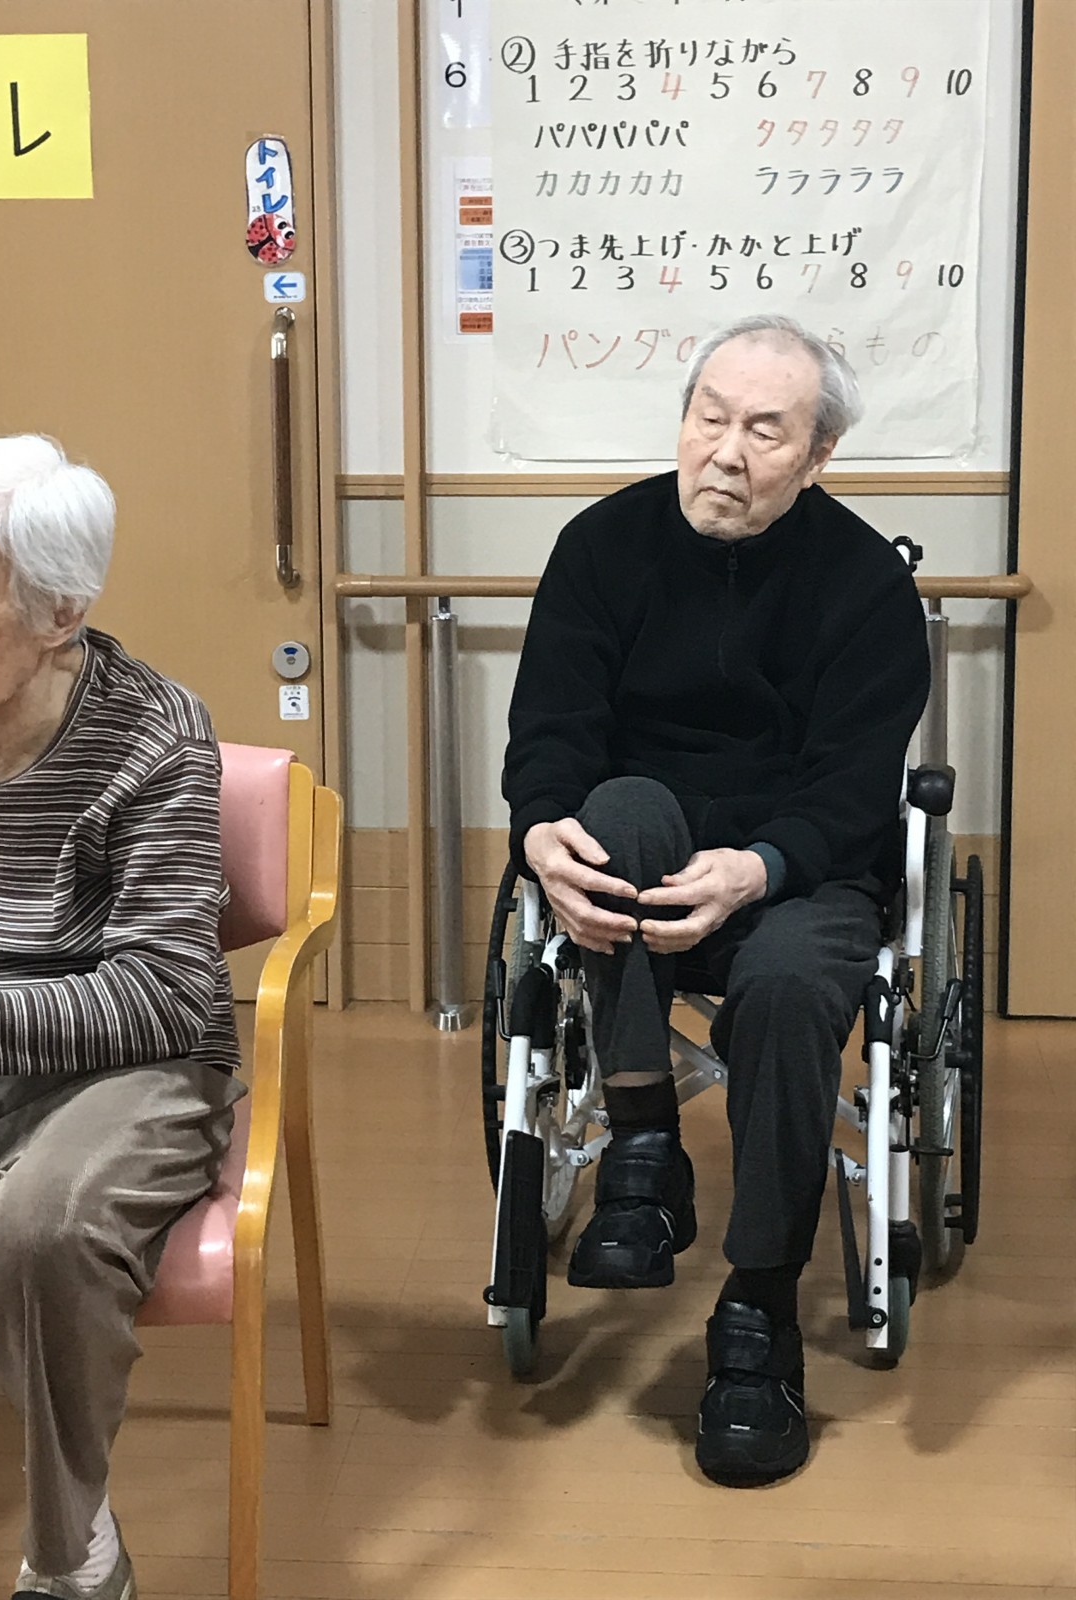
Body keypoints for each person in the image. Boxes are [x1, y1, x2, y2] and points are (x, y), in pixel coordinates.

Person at [502, 314, 930, 1485]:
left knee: (788, 987)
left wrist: (760, 866)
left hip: (800, 873)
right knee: (620, 805)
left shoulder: (865, 586)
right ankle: (643, 1144)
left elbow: (854, 788)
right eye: (709, 416)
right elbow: (549, 729)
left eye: (764, 431)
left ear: (819, 453)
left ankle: (759, 1302)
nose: (726, 452)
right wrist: (540, 830)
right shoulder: (603, 547)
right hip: (640, 861)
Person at [0, 435, 244, 1600]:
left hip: (126, 1066)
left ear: (59, 615)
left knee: (43, 1231)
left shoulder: (155, 734)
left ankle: (74, 1553)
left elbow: (166, 991)